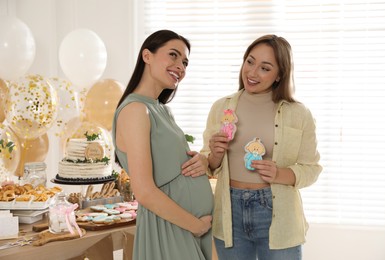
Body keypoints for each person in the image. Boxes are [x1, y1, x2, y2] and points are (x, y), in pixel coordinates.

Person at [201, 34, 322, 260]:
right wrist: (215, 155)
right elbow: (209, 163)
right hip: (230, 211)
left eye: (265, 68)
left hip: (278, 212)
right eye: (250, 61)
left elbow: (312, 168)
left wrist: (280, 173)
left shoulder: (299, 114)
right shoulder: (221, 108)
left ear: (279, 75)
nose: (252, 72)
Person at [112, 29, 214, 260]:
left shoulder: (161, 109)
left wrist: (201, 161)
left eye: (185, 62)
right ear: (147, 56)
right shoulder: (135, 110)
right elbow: (145, 191)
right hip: (171, 227)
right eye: (173, 55)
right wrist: (195, 225)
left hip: (191, 227)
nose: (181, 66)